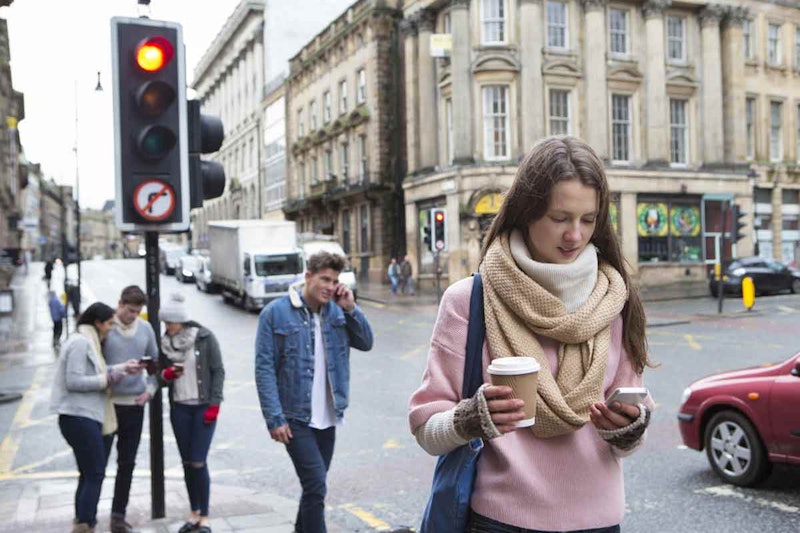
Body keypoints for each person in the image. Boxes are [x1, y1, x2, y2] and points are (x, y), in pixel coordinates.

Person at [408, 136, 655, 533]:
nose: (575, 235)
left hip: (599, 521)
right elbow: (425, 428)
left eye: (588, 220)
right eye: (560, 218)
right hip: (499, 522)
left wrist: (629, 427)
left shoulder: (615, 300)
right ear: (527, 211)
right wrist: (468, 419)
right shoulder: (469, 301)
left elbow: (629, 432)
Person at [255, 251, 374, 533]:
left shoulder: (337, 311)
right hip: (296, 417)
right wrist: (274, 418)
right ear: (308, 277)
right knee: (316, 485)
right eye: (324, 279)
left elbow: (366, 342)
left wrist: (350, 308)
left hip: (328, 417)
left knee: (313, 487)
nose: (330, 286)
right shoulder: (275, 313)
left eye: (334, 281)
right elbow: (264, 368)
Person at [49, 302, 142, 533]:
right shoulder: (81, 343)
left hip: (82, 416)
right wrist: (107, 380)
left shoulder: (87, 340)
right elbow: (74, 381)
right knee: (95, 472)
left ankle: (82, 521)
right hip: (78, 416)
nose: (111, 328)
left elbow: (97, 370)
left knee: (88, 472)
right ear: (97, 323)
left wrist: (121, 368)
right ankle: (84, 524)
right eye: (109, 323)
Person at [159, 293, 225, 533]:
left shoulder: (205, 338)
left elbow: (218, 371)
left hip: (202, 408)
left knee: (198, 461)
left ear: (181, 321)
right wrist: (166, 376)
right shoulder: (165, 343)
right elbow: (159, 375)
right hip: (179, 408)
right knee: (187, 463)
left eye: (170, 323)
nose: (167, 327)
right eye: (165, 324)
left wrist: (214, 404)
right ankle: (194, 513)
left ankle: (205, 517)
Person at [103, 286, 159, 533]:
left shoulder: (145, 329)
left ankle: (118, 516)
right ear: (119, 304)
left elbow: (155, 365)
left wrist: (150, 390)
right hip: (107, 404)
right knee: (98, 463)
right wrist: (121, 368)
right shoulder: (106, 328)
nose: (133, 316)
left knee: (127, 463)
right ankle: (87, 516)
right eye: (129, 311)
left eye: (137, 312)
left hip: (135, 406)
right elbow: (95, 364)